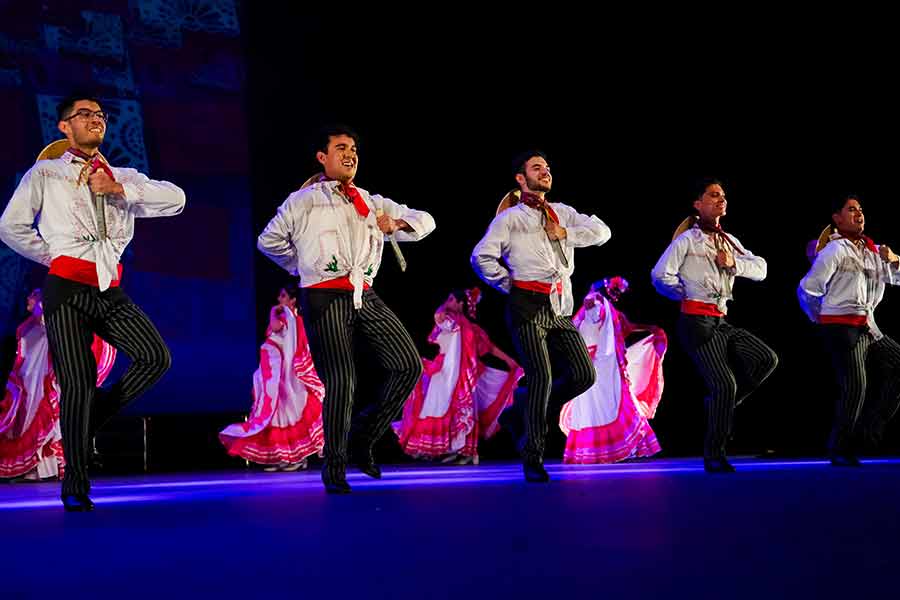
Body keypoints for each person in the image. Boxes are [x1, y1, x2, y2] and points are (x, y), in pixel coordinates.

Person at [0, 94, 185, 510]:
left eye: (99, 115)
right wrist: (54, 255)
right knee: (78, 382)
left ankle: (89, 419)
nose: (94, 120)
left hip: (109, 289)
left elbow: (176, 200)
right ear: (65, 126)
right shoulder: (45, 173)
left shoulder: (123, 174)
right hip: (65, 289)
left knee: (156, 357)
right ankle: (76, 485)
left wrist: (119, 188)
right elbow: (10, 226)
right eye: (84, 114)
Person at [257, 125, 435, 493]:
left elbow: (427, 221)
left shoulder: (371, 201)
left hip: (362, 293)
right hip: (323, 295)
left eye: (353, 148)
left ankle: (362, 436)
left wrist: (397, 222)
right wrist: (302, 265)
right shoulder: (303, 200)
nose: (350, 153)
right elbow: (268, 241)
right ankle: (334, 466)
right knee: (342, 379)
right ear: (322, 157)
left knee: (408, 364)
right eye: (341, 148)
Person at [471, 150, 611, 482]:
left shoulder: (562, 213)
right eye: (537, 168)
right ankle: (532, 455)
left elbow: (603, 232)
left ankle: (522, 411)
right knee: (542, 376)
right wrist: (509, 285)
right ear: (521, 179)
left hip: (559, 308)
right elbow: (481, 257)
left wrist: (567, 234)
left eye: (547, 167)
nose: (545, 171)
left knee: (584, 375)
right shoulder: (510, 218)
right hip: (526, 305)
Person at [651, 178, 777, 473]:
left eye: (723, 195)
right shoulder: (686, 241)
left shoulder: (729, 240)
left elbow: (762, 269)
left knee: (766, 358)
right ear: (698, 204)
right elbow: (660, 275)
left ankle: (721, 404)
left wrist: (734, 263)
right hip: (696, 321)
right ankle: (714, 454)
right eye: (713, 195)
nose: (721, 199)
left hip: (721, 320)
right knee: (724, 383)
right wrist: (686, 292)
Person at [798, 194, 900, 466]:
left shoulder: (871, 249)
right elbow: (808, 288)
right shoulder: (834, 250)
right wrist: (821, 318)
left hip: (867, 325)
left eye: (861, 210)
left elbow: (894, 280)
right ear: (837, 218)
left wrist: (894, 260)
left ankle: (869, 431)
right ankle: (840, 447)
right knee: (856, 385)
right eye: (851, 210)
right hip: (841, 326)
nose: (859, 214)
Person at [394, 287, 522, 464]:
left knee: (462, 411)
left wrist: (509, 361)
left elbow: (489, 347)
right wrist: (445, 305)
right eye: (448, 299)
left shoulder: (471, 328)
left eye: (452, 299)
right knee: (437, 408)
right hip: (445, 372)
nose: (448, 303)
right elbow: (438, 316)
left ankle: (468, 452)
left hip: (464, 375)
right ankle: (450, 449)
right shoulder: (449, 321)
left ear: (461, 304)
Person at [0, 289, 115, 481]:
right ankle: (33, 468)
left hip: (45, 385)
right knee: (25, 425)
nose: (28, 298)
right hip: (28, 387)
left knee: (45, 426)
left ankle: (45, 469)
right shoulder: (27, 327)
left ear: (42, 302)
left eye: (33, 295)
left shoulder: (54, 325)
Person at [559, 277, 666, 463]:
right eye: (615, 291)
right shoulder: (595, 304)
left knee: (618, 402)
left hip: (610, 365)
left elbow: (628, 327)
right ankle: (601, 450)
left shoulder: (612, 311)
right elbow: (587, 305)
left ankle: (630, 448)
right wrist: (597, 290)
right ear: (607, 289)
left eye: (620, 293)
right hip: (595, 364)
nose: (617, 296)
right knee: (599, 406)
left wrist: (650, 328)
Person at [220, 283, 325, 471]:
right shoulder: (282, 318)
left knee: (291, 414)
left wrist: (275, 313)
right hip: (276, 378)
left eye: (284, 296)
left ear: (293, 300)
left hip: (290, 378)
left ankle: (297, 458)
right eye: (280, 296)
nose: (279, 299)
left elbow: (297, 346)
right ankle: (281, 456)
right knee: (276, 416)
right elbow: (273, 337)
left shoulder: (296, 320)